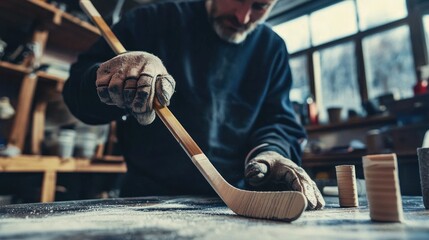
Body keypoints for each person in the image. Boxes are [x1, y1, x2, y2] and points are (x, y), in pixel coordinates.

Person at [63, 0, 325, 210]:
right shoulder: (149, 22)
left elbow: (279, 119)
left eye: (259, 6)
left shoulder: (272, 49)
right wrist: (111, 77)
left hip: (233, 204)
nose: (242, 17)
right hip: (143, 199)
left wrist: (273, 151)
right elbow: (75, 92)